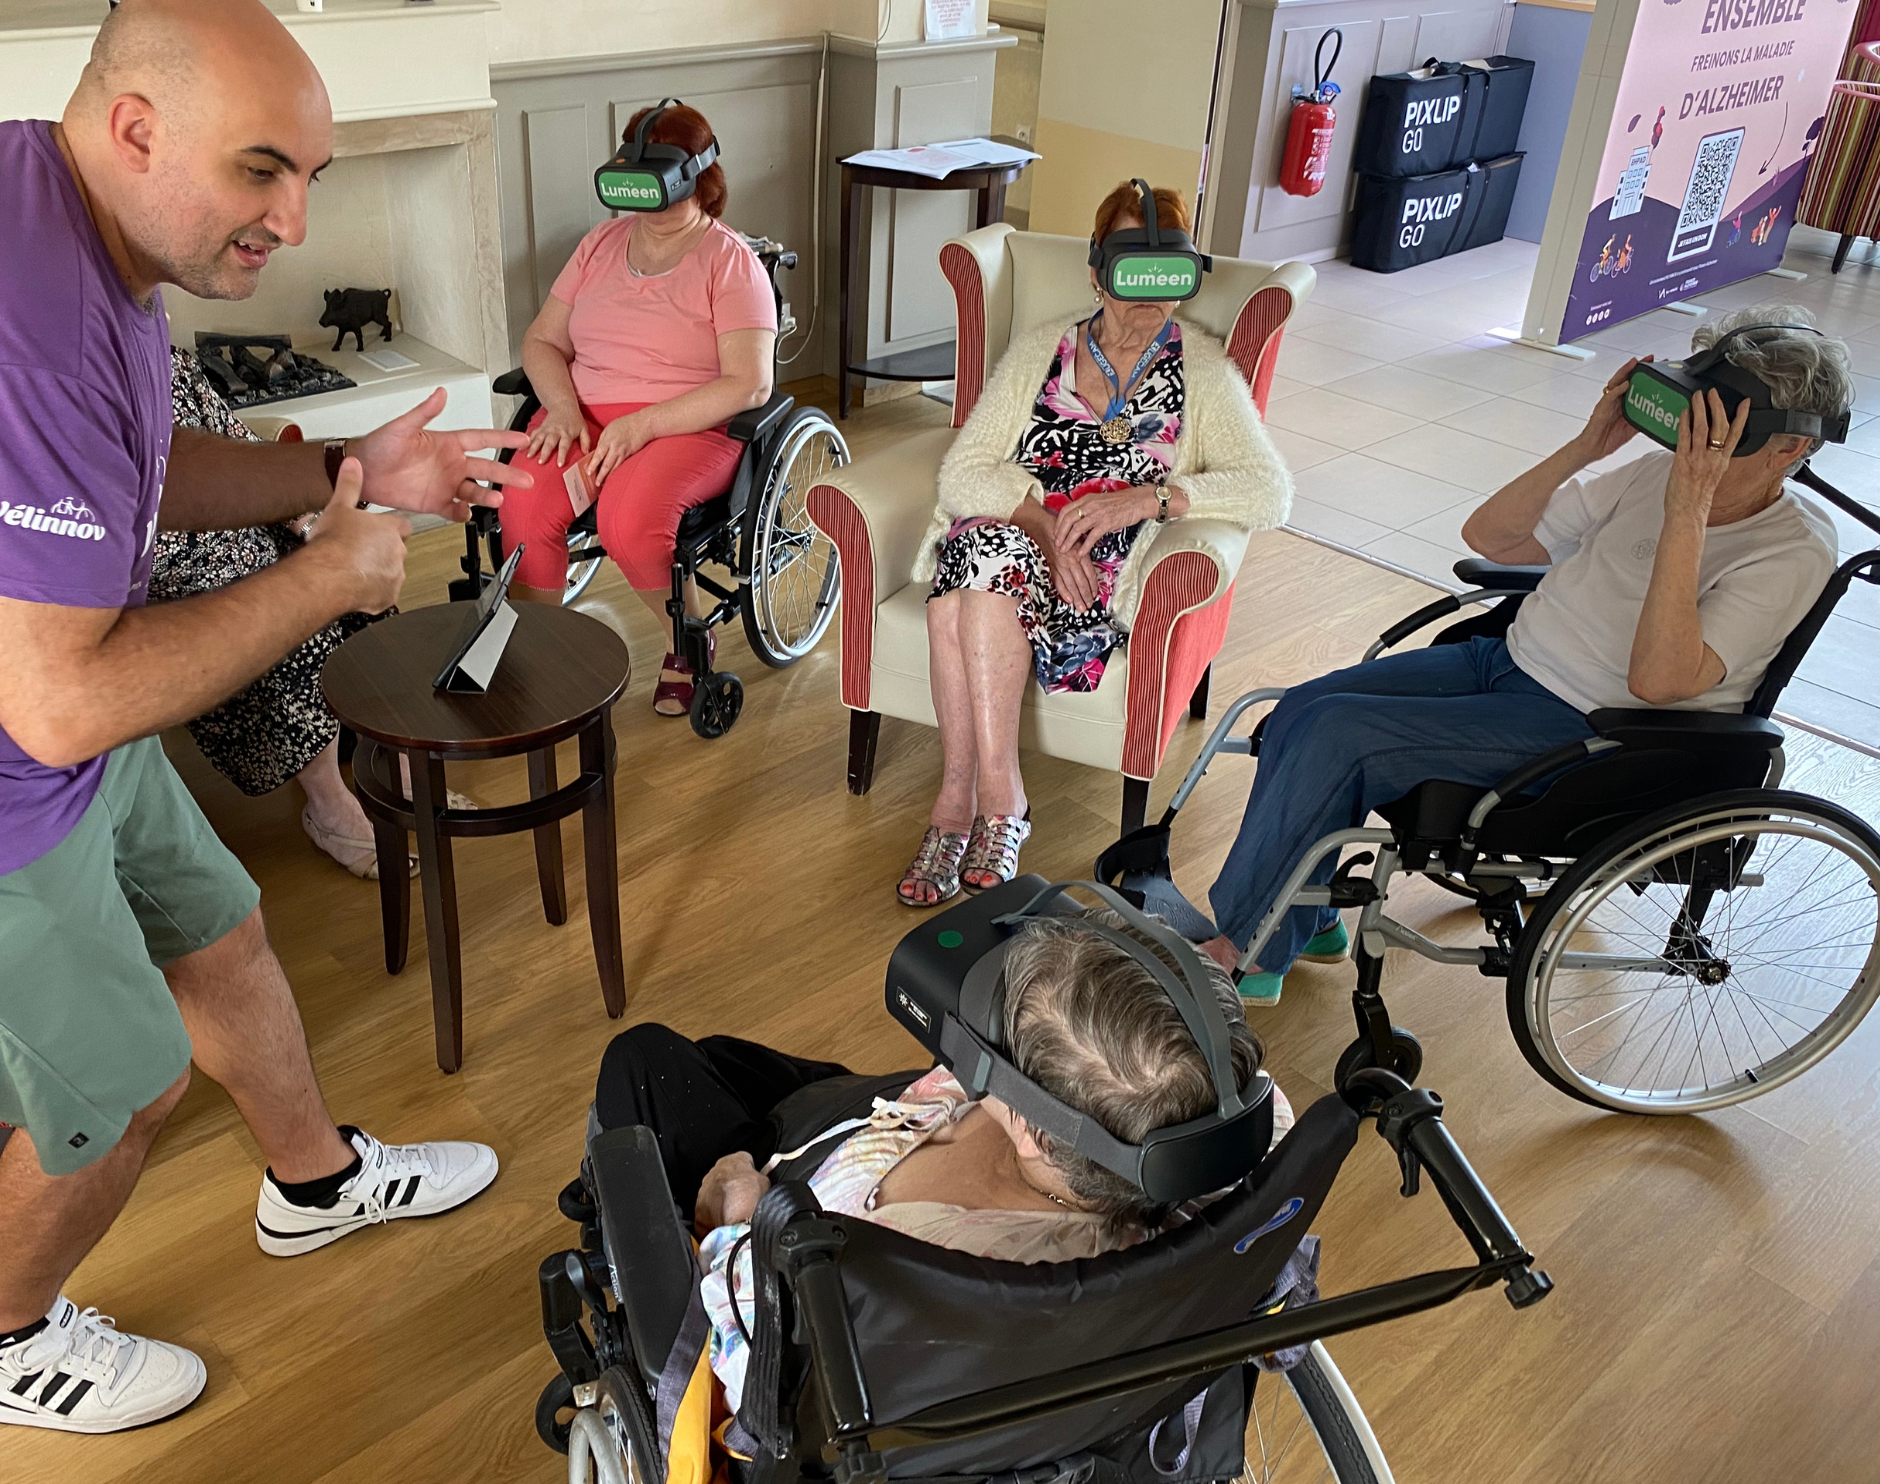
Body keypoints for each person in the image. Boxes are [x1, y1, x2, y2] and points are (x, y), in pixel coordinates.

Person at [0, 0, 531, 1434]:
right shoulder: (11, 313)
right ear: (134, 127)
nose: (294, 220)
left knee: (220, 925)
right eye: (261, 170)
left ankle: (316, 1183)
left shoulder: (52, 208)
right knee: (124, 1086)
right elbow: (56, 708)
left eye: (311, 176)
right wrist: (329, 578)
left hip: (43, 729)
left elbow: (130, 465)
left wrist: (341, 481)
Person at [1196, 307, 1848, 1006]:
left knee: (1340, 735)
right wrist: (1588, 446)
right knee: (1302, 710)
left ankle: (1243, 953)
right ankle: (1306, 916)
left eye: (1724, 440)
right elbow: (1492, 538)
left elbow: (1658, 681)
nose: (1697, 453)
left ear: (1787, 450)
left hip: (1597, 731)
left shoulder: (1794, 550)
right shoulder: (1647, 477)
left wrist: (1688, 509)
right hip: (1506, 661)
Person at [587, 911, 1290, 1414]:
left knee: (642, 1062)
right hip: (871, 1115)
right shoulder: (1223, 1126)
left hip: (777, 1194)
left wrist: (733, 1222)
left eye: (1003, 1041)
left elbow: (753, 1362)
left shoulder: (912, 1273)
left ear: (1025, 1123)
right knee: (717, 1061)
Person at [900, 181, 1292, 907]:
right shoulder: (1040, 350)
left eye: (1165, 278)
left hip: (1097, 579)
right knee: (984, 561)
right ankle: (992, 799)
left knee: (955, 605)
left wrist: (1155, 497)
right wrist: (1044, 529)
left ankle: (965, 803)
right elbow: (964, 472)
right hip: (1016, 538)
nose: (1148, 302)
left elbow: (1272, 490)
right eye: (1129, 275)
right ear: (1096, 270)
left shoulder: (1201, 370)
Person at [501, 101, 777, 715]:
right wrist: (564, 410)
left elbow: (750, 385)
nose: (647, 205)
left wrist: (644, 423)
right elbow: (543, 341)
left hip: (687, 423)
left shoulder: (731, 263)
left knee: (627, 522)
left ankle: (689, 643)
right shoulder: (599, 244)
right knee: (521, 499)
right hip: (586, 415)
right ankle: (546, 653)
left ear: (697, 181)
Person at [151, 348, 393, 877]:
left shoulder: (165, 359)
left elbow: (236, 445)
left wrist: (309, 518)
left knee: (347, 559)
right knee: (267, 587)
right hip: (154, 561)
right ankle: (329, 804)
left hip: (234, 518)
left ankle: (393, 758)